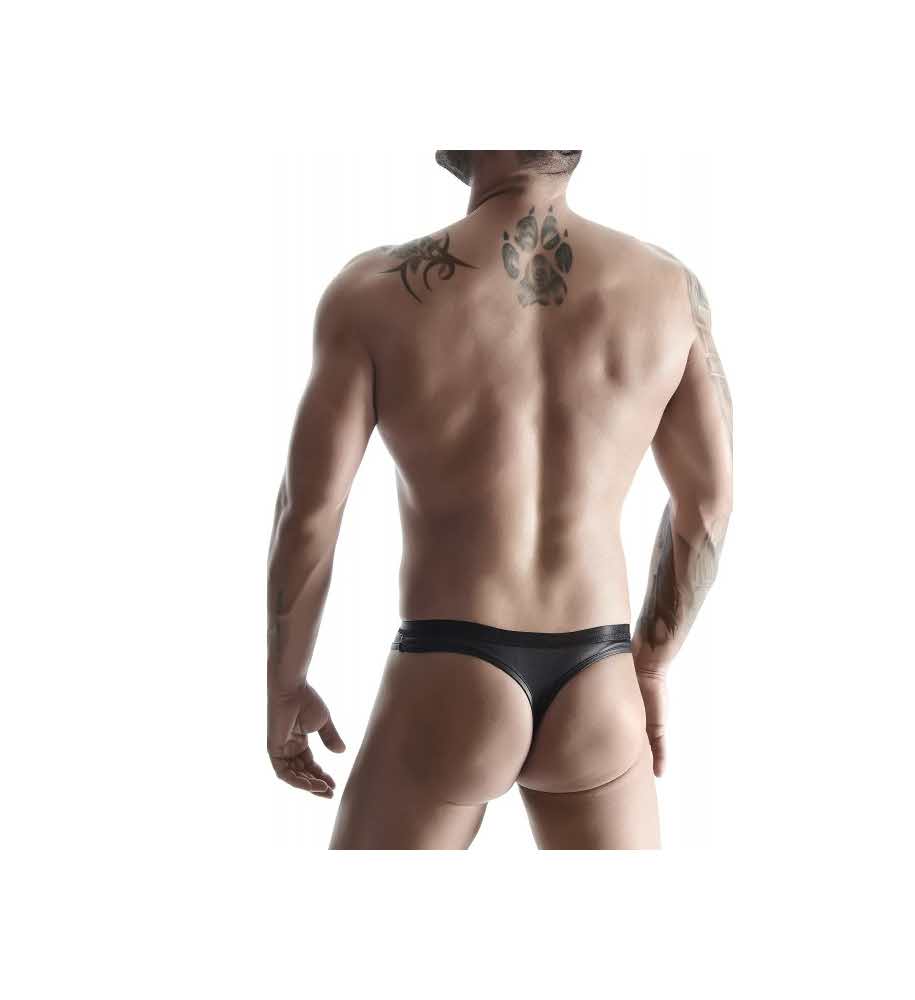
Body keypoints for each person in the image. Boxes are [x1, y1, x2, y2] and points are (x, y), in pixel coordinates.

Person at [266, 150, 733, 849]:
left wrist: (285, 686)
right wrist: (651, 663)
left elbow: (307, 515)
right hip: (599, 680)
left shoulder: (373, 292)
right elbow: (709, 503)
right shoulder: (668, 290)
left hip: (448, 675)